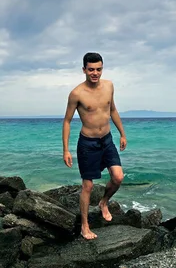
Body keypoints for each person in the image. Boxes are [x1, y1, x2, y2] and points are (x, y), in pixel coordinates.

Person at [62, 52, 127, 240]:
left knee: (118, 177)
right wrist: (65, 149)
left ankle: (104, 202)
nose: (95, 73)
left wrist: (122, 133)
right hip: (88, 144)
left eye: (98, 69)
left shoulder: (109, 86)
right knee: (88, 185)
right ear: (84, 70)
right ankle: (85, 226)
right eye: (91, 69)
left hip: (107, 140)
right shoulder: (77, 93)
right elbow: (67, 121)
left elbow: (112, 109)